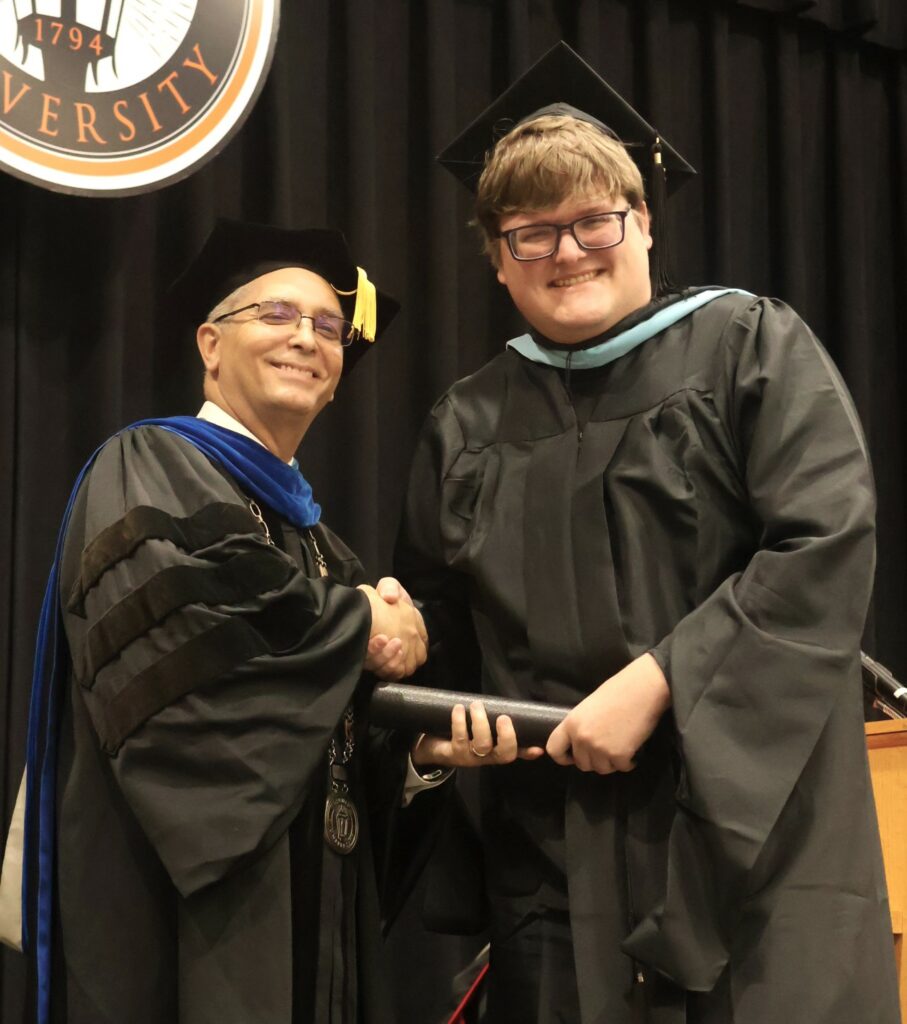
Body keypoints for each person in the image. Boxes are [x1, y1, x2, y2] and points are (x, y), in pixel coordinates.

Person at [397, 43, 901, 1024]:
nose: (569, 250)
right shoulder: (465, 422)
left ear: (644, 225)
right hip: (549, 880)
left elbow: (823, 543)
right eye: (531, 232)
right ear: (497, 260)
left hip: (746, 867)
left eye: (594, 220)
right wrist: (415, 670)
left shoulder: (748, 347)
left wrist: (663, 677)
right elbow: (445, 618)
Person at [18, 220, 437, 1024]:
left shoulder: (324, 547)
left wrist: (419, 754)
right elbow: (197, 650)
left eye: (326, 327)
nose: (305, 338)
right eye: (276, 315)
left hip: (314, 914)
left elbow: (335, 740)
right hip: (183, 911)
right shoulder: (147, 466)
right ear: (211, 344)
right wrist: (364, 622)